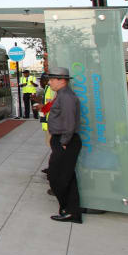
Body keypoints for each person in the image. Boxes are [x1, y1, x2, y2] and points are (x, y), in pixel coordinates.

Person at [46, 66, 82, 223]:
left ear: (61, 80)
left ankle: (68, 210)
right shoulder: (62, 95)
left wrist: (65, 141)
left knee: (56, 176)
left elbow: (69, 121)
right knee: (67, 176)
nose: (49, 82)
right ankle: (71, 211)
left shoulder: (66, 97)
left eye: (52, 79)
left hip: (65, 141)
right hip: (63, 140)